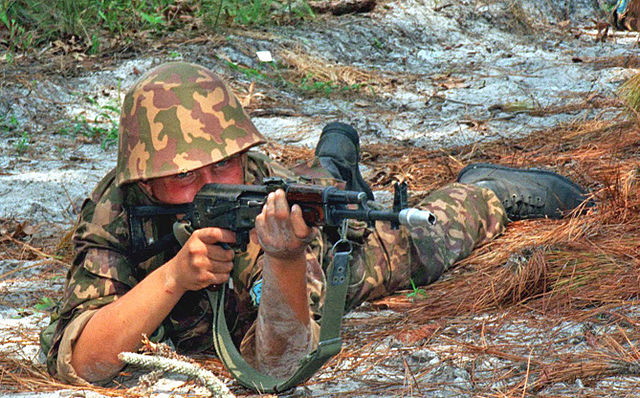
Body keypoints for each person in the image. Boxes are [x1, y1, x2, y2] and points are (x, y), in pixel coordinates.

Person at [40, 62, 590, 385]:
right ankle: (335, 160)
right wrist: (173, 278)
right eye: (187, 174)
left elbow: (279, 363)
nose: (212, 184)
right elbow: (78, 356)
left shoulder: (261, 200)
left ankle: (490, 188)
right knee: (323, 179)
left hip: (318, 252)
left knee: (417, 233)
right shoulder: (121, 208)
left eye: (225, 162)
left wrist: (282, 257)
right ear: (147, 180)